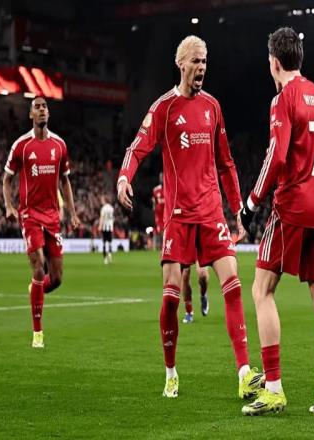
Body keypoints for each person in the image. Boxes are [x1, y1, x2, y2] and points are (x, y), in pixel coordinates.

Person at [117, 35, 264, 399]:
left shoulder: (213, 107)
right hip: (178, 215)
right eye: (196, 61)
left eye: (205, 61)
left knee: (233, 284)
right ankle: (171, 372)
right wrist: (123, 178)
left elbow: (226, 163)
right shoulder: (164, 108)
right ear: (180, 63)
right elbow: (137, 148)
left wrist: (238, 210)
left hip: (211, 211)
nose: (201, 67)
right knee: (170, 297)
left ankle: (244, 372)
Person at [240, 27, 314, 416]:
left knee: (262, 290)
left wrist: (251, 203)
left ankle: (273, 388)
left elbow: (277, 156)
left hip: (290, 208)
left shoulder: (283, 99)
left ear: (274, 63)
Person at [2, 96, 80, 348]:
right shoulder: (21, 146)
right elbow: (7, 179)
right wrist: (9, 206)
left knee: (56, 278)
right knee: (38, 266)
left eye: (44, 106)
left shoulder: (59, 145)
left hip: (52, 217)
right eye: (37, 107)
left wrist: (73, 212)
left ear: (49, 113)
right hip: (30, 215)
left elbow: (65, 181)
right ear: (31, 115)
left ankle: (35, 290)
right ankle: (38, 333)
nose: (42, 110)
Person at [99, 195, 115, 264]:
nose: (101, 201)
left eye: (102, 200)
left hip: (104, 227)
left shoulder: (103, 208)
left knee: (104, 243)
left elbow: (102, 218)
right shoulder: (111, 208)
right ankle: (110, 254)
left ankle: (105, 259)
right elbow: (112, 218)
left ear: (104, 200)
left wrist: (100, 226)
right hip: (110, 227)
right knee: (110, 242)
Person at [151, 173, 165, 250]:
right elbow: (154, 202)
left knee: (166, 233)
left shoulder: (170, 188)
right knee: (161, 232)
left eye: (163, 177)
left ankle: (164, 249)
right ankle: (162, 248)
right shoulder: (156, 190)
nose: (162, 179)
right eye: (161, 177)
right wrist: (154, 210)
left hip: (167, 214)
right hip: (159, 215)